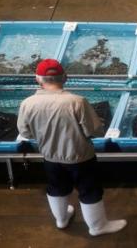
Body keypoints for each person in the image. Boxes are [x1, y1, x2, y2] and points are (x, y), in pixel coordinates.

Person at [17, 59, 127, 236]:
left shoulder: (27, 104)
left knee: (56, 187)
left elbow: (25, 133)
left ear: (38, 79)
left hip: (50, 157)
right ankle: (97, 227)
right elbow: (95, 131)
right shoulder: (76, 101)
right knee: (89, 190)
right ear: (65, 78)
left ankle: (61, 220)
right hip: (80, 157)